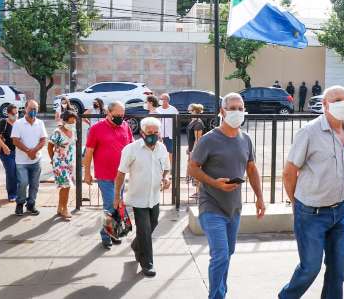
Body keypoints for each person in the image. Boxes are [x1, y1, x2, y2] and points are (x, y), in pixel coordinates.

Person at [279, 86, 344, 299]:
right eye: (337, 99)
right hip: (311, 213)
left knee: (338, 270)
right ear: (324, 105)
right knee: (310, 268)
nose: (343, 104)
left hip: (340, 211)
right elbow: (289, 172)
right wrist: (296, 204)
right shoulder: (309, 132)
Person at [189, 92, 266, 299]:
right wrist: (215, 183)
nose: (237, 112)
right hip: (211, 206)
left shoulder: (246, 139)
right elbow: (192, 169)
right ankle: (217, 296)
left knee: (227, 254)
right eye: (232, 108)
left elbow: (251, 169)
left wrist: (259, 197)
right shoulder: (209, 139)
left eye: (241, 108)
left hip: (234, 207)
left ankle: (220, 290)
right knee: (221, 255)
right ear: (222, 111)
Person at [114, 117, 171, 277]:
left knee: (152, 224)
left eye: (155, 132)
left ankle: (135, 245)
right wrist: (117, 196)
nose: (153, 135)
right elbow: (120, 174)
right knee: (145, 231)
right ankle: (147, 264)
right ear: (142, 133)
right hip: (138, 198)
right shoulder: (131, 149)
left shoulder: (162, 148)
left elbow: (166, 169)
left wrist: (166, 178)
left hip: (154, 197)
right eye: (149, 132)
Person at [84, 101, 133, 249]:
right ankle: (107, 236)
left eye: (122, 115)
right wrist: (87, 173)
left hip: (121, 175)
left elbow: (132, 147)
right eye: (117, 115)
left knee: (117, 206)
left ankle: (112, 232)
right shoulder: (96, 129)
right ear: (108, 113)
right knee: (110, 206)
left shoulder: (125, 126)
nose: (120, 118)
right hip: (104, 175)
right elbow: (89, 153)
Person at [11, 100, 47, 216]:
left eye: (35, 109)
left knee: (34, 184)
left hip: (36, 160)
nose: (33, 111)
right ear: (25, 109)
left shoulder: (40, 123)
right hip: (21, 161)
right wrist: (28, 151)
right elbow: (15, 140)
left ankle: (31, 204)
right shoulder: (18, 123)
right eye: (31, 109)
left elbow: (43, 140)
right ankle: (20, 203)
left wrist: (34, 151)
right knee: (23, 183)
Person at [47, 110, 78, 220]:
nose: (72, 124)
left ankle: (60, 207)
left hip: (69, 163)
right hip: (60, 163)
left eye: (74, 121)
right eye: (70, 122)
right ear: (64, 121)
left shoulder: (73, 130)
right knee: (66, 185)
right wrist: (52, 159)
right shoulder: (57, 132)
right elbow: (50, 146)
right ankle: (64, 209)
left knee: (65, 187)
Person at [0, 104, 18, 202]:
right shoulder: (3, 122)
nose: (16, 115)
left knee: (18, 173)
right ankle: (12, 194)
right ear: (8, 113)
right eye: (13, 113)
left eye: (17, 113)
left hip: (19, 153)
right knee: (11, 173)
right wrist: (4, 147)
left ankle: (18, 193)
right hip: (6, 153)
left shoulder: (19, 123)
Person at [187, 103, 205, 200]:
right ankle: (198, 191)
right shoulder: (192, 121)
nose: (188, 110)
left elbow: (198, 139)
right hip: (191, 149)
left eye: (190, 109)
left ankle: (199, 192)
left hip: (195, 150)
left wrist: (193, 151)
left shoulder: (198, 123)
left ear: (194, 110)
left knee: (196, 171)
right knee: (193, 171)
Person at [156, 93, 178, 164]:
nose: (160, 100)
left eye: (162, 99)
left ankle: (170, 167)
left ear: (167, 100)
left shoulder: (173, 109)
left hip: (170, 134)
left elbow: (177, 121)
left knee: (170, 151)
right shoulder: (157, 109)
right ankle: (161, 167)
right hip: (159, 134)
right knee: (159, 151)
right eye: (160, 99)